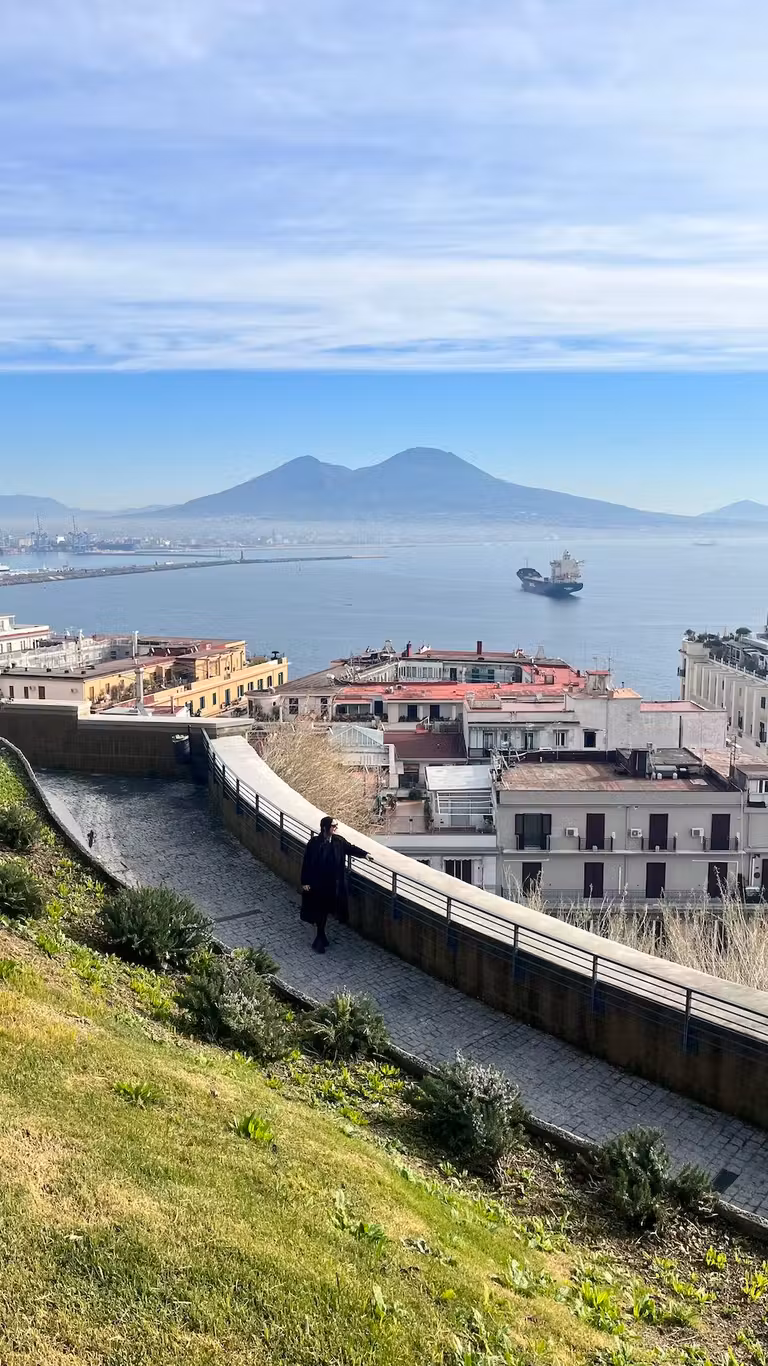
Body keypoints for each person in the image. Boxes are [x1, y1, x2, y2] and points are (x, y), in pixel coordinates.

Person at [300, 815, 373, 954]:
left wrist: (365, 855)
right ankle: (319, 939)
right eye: (333, 826)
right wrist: (305, 882)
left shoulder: (338, 841)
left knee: (327, 909)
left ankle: (321, 936)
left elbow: (351, 848)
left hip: (333, 883)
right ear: (325, 828)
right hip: (317, 883)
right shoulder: (314, 843)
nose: (336, 828)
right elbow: (307, 863)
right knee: (320, 911)